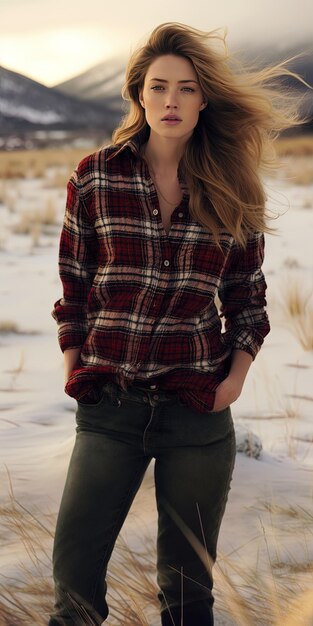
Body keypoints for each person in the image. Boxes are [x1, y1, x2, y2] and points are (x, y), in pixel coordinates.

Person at [49, 22, 301, 626]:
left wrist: (232, 383)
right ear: (138, 94)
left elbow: (247, 301)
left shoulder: (233, 188)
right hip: (109, 407)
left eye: (186, 89)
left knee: (188, 594)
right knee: (74, 587)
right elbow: (74, 285)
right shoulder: (95, 176)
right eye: (158, 87)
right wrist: (76, 368)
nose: (171, 101)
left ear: (203, 99)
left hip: (197, 408)